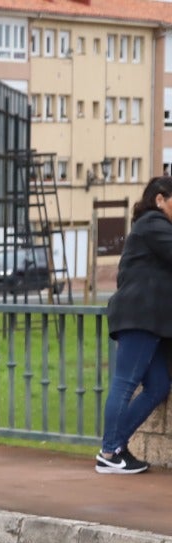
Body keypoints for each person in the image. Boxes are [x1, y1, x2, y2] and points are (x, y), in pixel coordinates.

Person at [97, 175, 172, 474]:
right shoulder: (153, 223)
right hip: (140, 316)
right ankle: (108, 452)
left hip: (148, 320)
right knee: (125, 383)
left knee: (158, 386)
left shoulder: (151, 228)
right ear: (160, 199)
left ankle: (114, 446)